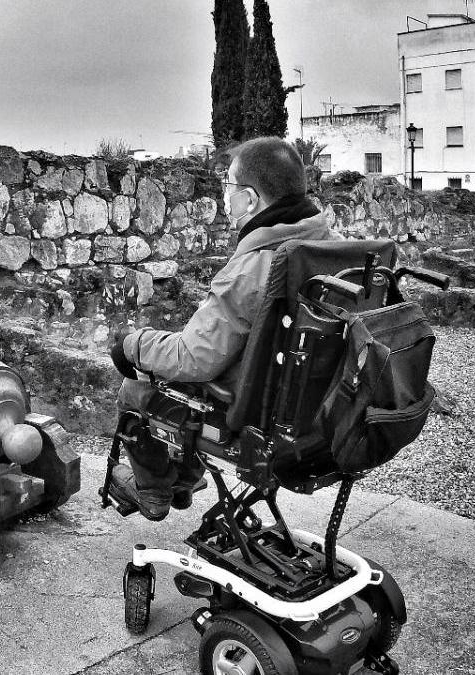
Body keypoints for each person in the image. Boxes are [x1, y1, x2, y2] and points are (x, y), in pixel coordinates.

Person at [107, 136, 341, 521]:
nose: (224, 196)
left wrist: (132, 344)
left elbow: (194, 358)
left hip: (253, 418)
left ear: (249, 199)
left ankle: (154, 488)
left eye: (227, 186)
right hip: (317, 414)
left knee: (133, 391)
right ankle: (181, 479)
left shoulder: (255, 267)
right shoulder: (334, 248)